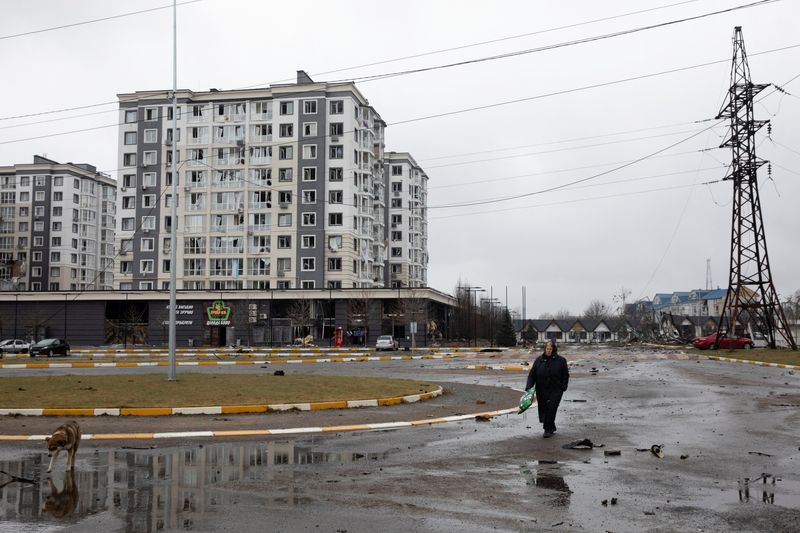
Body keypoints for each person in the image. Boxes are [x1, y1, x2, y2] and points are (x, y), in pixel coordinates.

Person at [525, 339, 569, 438]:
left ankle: (547, 430)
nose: (548, 350)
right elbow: (532, 375)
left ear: (554, 349)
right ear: (545, 349)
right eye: (547, 349)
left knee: (551, 408)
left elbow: (565, 375)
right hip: (542, 389)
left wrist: (563, 386)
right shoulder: (539, 360)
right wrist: (529, 387)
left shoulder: (561, 361)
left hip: (556, 389)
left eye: (550, 349)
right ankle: (551, 426)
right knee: (544, 408)